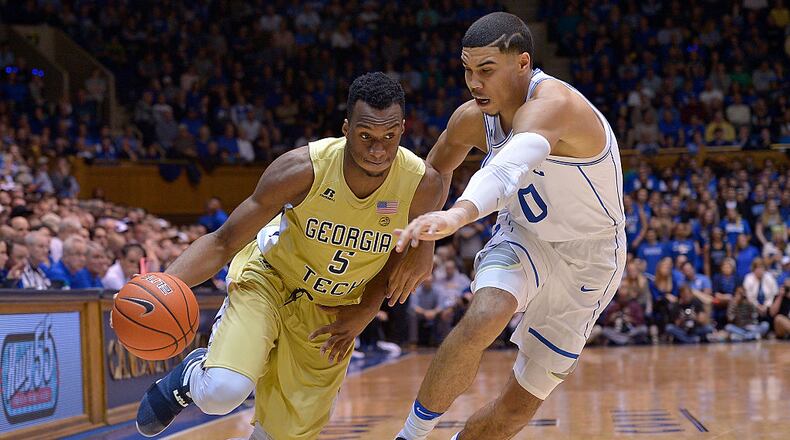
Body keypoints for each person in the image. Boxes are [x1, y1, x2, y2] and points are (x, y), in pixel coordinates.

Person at [135, 73, 441, 439]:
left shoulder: (422, 185)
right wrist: (157, 287)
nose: (378, 150)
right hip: (270, 282)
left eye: (389, 137)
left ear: (403, 129)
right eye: (366, 136)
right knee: (222, 392)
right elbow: (223, 241)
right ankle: (191, 376)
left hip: (332, 312)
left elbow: (399, 256)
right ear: (346, 128)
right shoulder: (302, 169)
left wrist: (367, 308)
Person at [393, 13, 625, 440]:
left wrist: (457, 215)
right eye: (467, 70)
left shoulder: (557, 105)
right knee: (486, 312)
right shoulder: (471, 118)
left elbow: (507, 169)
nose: (474, 83)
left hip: (590, 257)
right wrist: (423, 244)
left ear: (522, 63)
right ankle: (410, 435)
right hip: (525, 235)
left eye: (486, 70)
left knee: (516, 409)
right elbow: (435, 170)